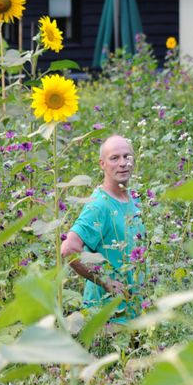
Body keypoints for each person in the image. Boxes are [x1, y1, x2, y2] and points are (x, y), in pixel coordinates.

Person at [60, 134, 146, 320]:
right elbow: (68, 249)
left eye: (127, 156)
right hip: (107, 317)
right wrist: (106, 282)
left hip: (134, 313)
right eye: (114, 158)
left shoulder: (135, 198)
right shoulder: (99, 205)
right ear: (102, 164)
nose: (123, 163)